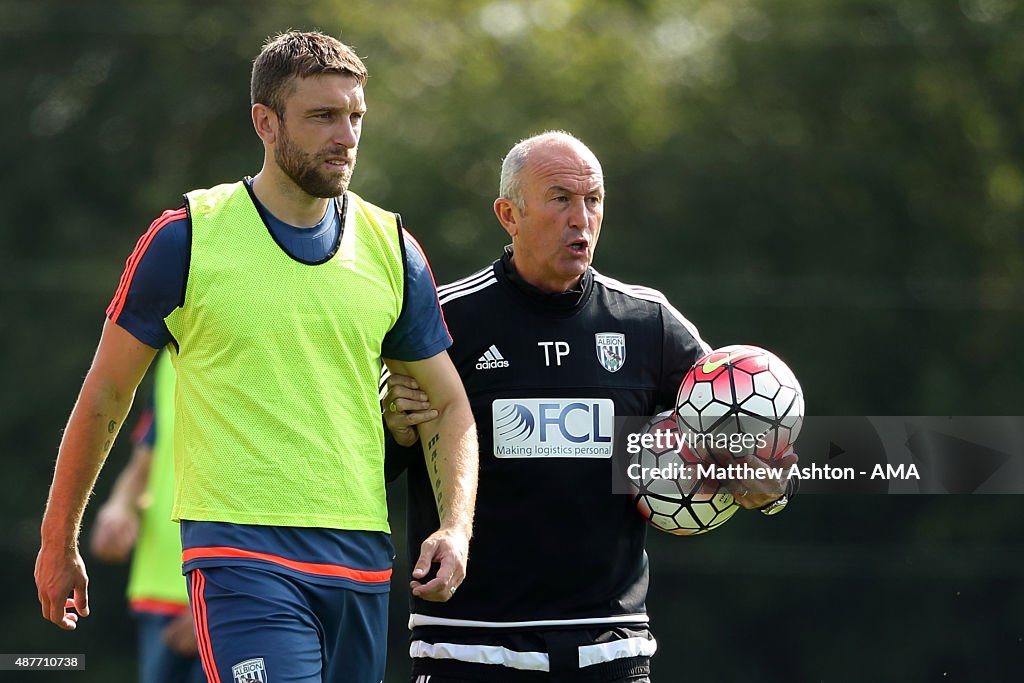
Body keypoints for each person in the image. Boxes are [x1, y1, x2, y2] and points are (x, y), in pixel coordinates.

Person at [35, 30, 478, 683]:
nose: (346, 136)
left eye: (355, 116)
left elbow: (447, 403)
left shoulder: (393, 248)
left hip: (361, 558)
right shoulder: (186, 238)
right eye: (323, 116)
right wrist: (57, 538)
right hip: (240, 554)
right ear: (265, 123)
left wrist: (456, 527)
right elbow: (105, 394)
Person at [383, 131, 794, 682]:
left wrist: (772, 490)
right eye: (560, 199)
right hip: (467, 648)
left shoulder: (647, 323)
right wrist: (391, 428)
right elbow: (364, 466)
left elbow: (745, 430)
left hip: (610, 647)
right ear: (509, 214)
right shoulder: (445, 322)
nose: (581, 218)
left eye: (593, 200)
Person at [90, 351, 203, 683]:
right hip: (158, 597)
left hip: (222, 598)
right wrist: (119, 506)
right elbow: (146, 460)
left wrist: (222, 602)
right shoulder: (169, 360)